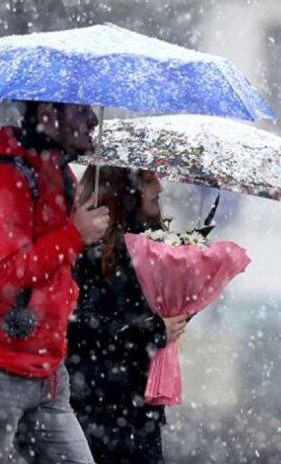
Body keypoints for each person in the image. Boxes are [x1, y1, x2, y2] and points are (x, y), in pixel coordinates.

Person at [0, 101, 110, 463]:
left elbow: (57, 268)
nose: (93, 120)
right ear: (48, 111)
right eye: (81, 111)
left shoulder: (60, 176)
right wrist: (74, 235)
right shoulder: (3, 176)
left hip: (46, 375)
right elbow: (0, 276)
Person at [67, 165, 187, 464]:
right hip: (97, 406)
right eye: (151, 189)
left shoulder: (145, 247)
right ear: (128, 192)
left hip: (130, 405)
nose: (159, 193)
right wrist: (154, 329)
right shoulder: (87, 249)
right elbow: (80, 326)